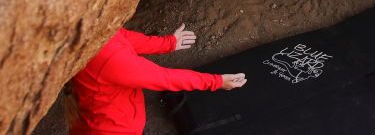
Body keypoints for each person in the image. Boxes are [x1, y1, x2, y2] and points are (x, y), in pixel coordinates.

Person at [67, 24, 246, 134]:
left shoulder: (96, 35)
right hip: (112, 129)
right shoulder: (108, 59)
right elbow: (165, 78)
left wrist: (169, 43)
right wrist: (216, 82)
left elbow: (123, 37)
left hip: (106, 121)